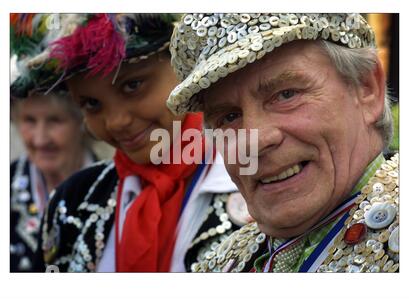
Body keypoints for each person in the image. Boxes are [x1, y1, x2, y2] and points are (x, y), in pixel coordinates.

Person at [166, 13, 399, 273]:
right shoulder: (220, 263)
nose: (254, 141)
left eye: (286, 95)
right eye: (229, 117)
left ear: (367, 89)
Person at [26, 13, 247, 272]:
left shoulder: (254, 184)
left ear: (184, 67)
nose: (116, 122)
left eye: (132, 86)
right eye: (92, 104)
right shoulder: (72, 201)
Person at [10, 14, 97, 272]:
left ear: (81, 121)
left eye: (55, 121)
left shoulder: (113, 188)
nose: (39, 139)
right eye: (28, 120)